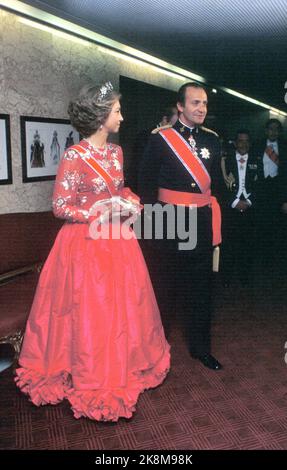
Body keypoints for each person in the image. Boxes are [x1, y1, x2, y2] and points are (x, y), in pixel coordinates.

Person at [15, 82, 170, 422]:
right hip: (83, 245)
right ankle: (87, 371)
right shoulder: (74, 155)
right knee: (88, 309)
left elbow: (120, 187)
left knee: (122, 307)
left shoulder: (116, 152)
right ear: (102, 117)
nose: (122, 116)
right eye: (117, 111)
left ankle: (121, 364)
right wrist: (101, 211)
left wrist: (127, 200)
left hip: (117, 241)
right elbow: (60, 206)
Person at [138, 82, 222, 371]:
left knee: (201, 288)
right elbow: (145, 184)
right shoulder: (160, 139)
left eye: (205, 104)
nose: (202, 109)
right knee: (164, 285)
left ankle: (201, 348)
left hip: (199, 221)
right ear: (181, 106)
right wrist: (150, 229)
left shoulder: (213, 140)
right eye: (196, 103)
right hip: (167, 219)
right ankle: (156, 348)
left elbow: (217, 187)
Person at [220, 130, 258, 286]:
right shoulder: (225, 161)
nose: (243, 144)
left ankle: (245, 277)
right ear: (235, 143)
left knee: (247, 244)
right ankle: (226, 277)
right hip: (231, 208)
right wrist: (234, 202)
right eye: (240, 141)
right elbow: (220, 185)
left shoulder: (257, 160)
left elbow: (262, 185)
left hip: (250, 209)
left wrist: (248, 201)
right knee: (229, 244)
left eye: (247, 141)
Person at [254, 119, 287, 270]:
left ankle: (277, 260)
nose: (273, 132)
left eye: (276, 129)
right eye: (270, 129)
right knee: (261, 225)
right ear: (266, 130)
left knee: (278, 227)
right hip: (261, 190)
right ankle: (263, 258)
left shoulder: (285, 146)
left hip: (278, 191)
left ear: (279, 131)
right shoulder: (257, 145)